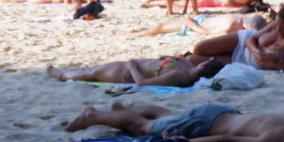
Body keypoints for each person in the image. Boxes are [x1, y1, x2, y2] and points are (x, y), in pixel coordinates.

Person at [63, 99, 284, 142]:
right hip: (206, 125)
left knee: (168, 119)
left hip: (223, 113)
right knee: (142, 128)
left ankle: (120, 111)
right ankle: (92, 116)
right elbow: (227, 140)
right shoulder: (275, 140)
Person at [191, 3, 284, 73]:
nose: (278, 30)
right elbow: (251, 38)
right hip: (244, 42)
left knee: (194, 59)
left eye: (283, 28)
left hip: (245, 62)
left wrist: (277, 64)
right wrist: (256, 51)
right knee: (199, 48)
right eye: (277, 25)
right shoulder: (277, 25)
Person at [46, 54, 224, 88]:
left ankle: (62, 76)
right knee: (93, 71)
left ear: (203, 66)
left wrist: (132, 65)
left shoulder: (179, 75)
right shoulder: (188, 67)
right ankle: (69, 74)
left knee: (91, 74)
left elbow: (142, 83)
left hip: (126, 73)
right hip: (129, 67)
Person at [129, 12, 268, 38]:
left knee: (159, 28)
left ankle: (133, 34)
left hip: (196, 23)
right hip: (201, 19)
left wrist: (189, 21)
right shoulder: (238, 21)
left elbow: (205, 32)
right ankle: (138, 32)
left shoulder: (234, 23)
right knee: (160, 26)